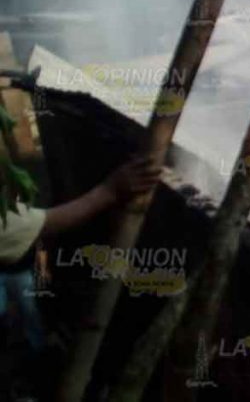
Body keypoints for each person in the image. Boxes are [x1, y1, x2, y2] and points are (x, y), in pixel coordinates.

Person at [1, 156, 160, 395]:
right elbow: (46, 224)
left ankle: (37, 350)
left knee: (27, 313)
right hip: (16, 271)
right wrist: (109, 190)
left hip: (20, 272)